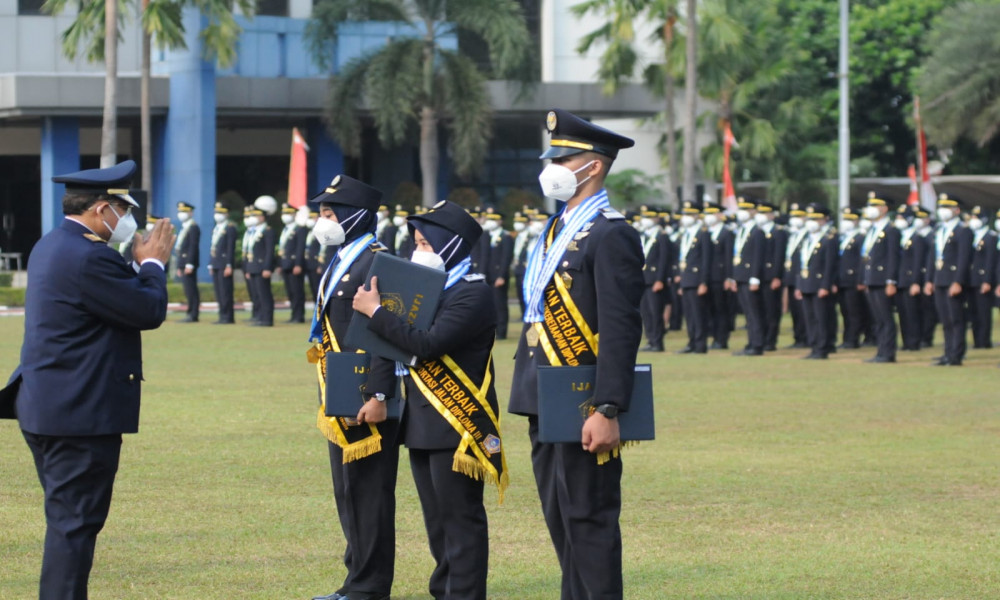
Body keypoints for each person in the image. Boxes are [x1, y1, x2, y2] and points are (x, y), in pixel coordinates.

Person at [0, 160, 174, 600]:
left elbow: (107, 300)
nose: (128, 220)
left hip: (49, 406)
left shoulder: (52, 244)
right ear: (101, 209)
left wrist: (138, 268)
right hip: (77, 415)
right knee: (74, 526)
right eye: (123, 209)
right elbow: (146, 310)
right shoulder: (90, 255)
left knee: (69, 522)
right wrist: (153, 264)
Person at [509, 109, 644, 600]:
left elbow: (621, 326)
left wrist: (607, 407)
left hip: (584, 399)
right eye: (553, 158)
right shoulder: (555, 229)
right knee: (560, 518)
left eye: (564, 159)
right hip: (543, 394)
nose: (554, 168)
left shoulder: (611, 233)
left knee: (589, 518)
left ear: (595, 165)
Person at [354, 200, 506, 600]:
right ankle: (445, 590)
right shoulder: (428, 290)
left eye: (425, 243)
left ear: (450, 244)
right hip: (422, 419)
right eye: (416, 242)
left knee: (460, 519)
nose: (417, 250)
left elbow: (427, 345)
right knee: (437, 522)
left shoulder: (472, 293)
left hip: (457, 422)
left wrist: (376, 313)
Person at [308, 175, 399, 600]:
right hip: (340, 388)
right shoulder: (344, 257)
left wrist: (378, 394)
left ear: (354, 216)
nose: (323, 221)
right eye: (322, 213)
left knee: (369, 492)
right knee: (348, 489)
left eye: (330, 213)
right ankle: (356, 580)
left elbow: (385, 334)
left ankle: (369, 586)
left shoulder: (378, 260)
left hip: (366, 395)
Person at [924, 193, 971, 366]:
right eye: (941, 207)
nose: (943, 211)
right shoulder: (939, 230)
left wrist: (958, 281)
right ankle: (947, 352)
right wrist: (929, 280)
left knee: (955, 319)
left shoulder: (963, 230)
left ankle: (956, 354)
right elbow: (932, 257)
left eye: (947, 207)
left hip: (953, 280)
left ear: (957, 210)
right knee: (945, 320)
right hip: (939, 279)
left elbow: (964, 258)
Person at [859, 192, 900, 363]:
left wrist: (891, 281)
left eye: (875, 205)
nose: (871, 209)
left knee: (886, 317)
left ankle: (888, 352)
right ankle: (881, 350)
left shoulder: (891, 230)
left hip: (883, 279)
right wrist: (864, 279)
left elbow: (893, 257)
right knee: (878, 318)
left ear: (884, 209)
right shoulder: (872, 230)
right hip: (872, 278)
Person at [795, 205, 838, 359]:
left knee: (821, 318)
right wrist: (799, 285)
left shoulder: (828, 240)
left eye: (816, 219)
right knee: (810, 318)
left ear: (823, 220)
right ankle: (814, 346)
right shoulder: (806, 239)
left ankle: (822, 348)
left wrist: (825, 285)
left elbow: (830, 265)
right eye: (810, 219)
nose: (812, 222)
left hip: (819, 284)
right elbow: (801, 264)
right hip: (806, 283)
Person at [728, 198, 767, 356]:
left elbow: (758, 257)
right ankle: (751, 342)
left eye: (746, 209)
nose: (742, 212)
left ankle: (757, 344)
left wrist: (755, 278)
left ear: (753, 211)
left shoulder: (757, 232)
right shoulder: (741, 230)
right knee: (748, 313)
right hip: (741, 276)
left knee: (754, 312)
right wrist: (734, 277)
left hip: (750, 277)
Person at [674, 201, 711, 354]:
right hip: (686, 278)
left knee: (698, 313)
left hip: (697, 279)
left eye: (690, 214)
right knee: (689, 314)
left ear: (697, 216)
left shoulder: (703, 233)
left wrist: (703, 282)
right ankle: (691, 341)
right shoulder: (685, 234)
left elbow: (706, 260)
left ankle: (700, 344)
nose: (686, 217)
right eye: (685, 214)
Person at [895, 205, 928, 350]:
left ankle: (914, 341)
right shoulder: (899, 237)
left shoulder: (917, 238)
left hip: (910, 281)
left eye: (901, 217)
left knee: (912, 313)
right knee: (903, 313)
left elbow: (918, 262)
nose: (898, 220)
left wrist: (915, 281)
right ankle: (906, 341)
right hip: (900, 280)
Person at [755, 202, 786, 351]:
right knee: (760, 309)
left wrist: (777, 276)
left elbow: (779, 256)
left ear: (772, 215)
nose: (761, 216)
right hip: (758, 277)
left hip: (771, 277)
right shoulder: (757, 232)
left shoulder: (778, 232)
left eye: (765, 213)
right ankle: (761, 337)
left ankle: (770, 340)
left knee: (771, 310)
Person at [639, 208, 669, 352]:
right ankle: (650, 340)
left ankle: (658, 342)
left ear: (656, 218)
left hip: (655, 279)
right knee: (646, 312)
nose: (646, 220)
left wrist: (660, 279)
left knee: (655, 312)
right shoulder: (643, 235)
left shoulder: (661, 236)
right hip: (643, 278)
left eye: (649, 217)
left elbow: (663, 260)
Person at [704, 203, 734, 350]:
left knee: (721, 309)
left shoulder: (726, 233)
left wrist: (729, 277)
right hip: (708, 276)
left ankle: (721, 339)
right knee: (710, 309)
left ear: (720, 215)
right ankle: (714, 336)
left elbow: (729, 257)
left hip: (720, 277)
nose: (709, 216)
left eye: (713, 213)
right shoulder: (706, 232)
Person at [966, 206, 996, 349]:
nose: (973, 220)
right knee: (973, 312)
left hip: (983, 280)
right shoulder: (972, 236)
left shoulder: (990, 237)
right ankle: (977, 340)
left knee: (984, 312)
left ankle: (984, 341)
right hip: (972, 280)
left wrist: (987, 280)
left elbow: (990, 261)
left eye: (976, 217)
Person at [781, 203, 809, 349]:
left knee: (804, 311)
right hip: (791, 278)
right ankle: (798, 338)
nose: (795, 219)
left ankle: (806, 338)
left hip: (802, 278)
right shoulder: (792, 235)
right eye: (793, 216)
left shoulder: (807, 235)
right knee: (795, 312)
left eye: (799, 216)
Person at [837, 208, 866, 349]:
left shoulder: (860, 237)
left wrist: (860, 279)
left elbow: (861, 261)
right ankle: (847, 338)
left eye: (850, 219)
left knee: (854, 311)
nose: (847, 222)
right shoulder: (842, 237)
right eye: (845, 219)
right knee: (845, 311)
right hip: (842, 279)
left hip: (853, 279)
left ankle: (853, 339)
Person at [484, 210, 514, 339]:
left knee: (500, 304)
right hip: (488, 275)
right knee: (489, 305)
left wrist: (501, 275)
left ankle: (501, 332)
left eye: (494, 219)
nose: (491, 222)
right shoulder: (486, 236)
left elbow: (506, 258)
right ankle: (492, 330)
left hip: (498, 276)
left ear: (500, 221)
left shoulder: (506, 236)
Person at [277, 203, 308, 323]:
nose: (285, 216)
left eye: (288, 213)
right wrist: (280, 264)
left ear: (294, 214)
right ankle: (293, 314)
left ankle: (299, 316)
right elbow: (282, 248)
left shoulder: (299, 229)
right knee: (290, 292)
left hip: (294, 264)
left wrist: (298, 264)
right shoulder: (285, 229)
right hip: (285, 264)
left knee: (297, 291)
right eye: (283, 213)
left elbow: (300, 248)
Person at [244, 207, 275, 327]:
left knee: (264, 294)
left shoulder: (267, 230)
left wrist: (267, 267)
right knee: (257, 294)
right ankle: (260, 317)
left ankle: (267, 319)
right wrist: (248, 268)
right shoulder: (254, 231)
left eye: (257, 215)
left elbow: (269, 251)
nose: (255, 218)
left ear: (263, 217)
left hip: (262, 267)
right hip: (253, 266)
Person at [209, 202, 238, 324]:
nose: (217, 215)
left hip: (224, 264)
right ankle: (222, 315)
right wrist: (211, 264)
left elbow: (230, 248)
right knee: (219, 292)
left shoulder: (230, 228)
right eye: (216, 212)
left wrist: (229, 265)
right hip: (216, 262)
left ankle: (228, 316)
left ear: (226, 214)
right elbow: (213, 247)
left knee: (226, 291)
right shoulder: (216, 228)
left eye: (221, 212)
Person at [174, 201, 201, 322]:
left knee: (191, 289)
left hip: (189, 263)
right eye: (180, 211)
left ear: (191, 213)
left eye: (184, 211)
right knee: (187, 289)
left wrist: (189, 264)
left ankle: (193, 314)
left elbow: (193, 247)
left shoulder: (193, 227)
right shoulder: (184, 228)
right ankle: (190, 312)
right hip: (183, 262)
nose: (181, 214)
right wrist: (179, 265)